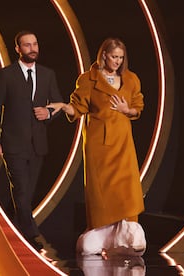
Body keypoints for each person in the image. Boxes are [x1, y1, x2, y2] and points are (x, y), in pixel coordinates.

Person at [47, 38, 146, 257]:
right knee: (102, 194)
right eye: (113, 57)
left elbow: (137, 107)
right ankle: (102, 238)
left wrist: (126, 109)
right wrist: (65, 107)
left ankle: (126, 238)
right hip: (99, 145)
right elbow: (78, 107)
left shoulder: (131, 79)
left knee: (127, 190)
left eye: (121, 57)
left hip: (123, 143)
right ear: (103, 55)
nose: (117, 62)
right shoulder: (88, 79)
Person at [0, 30, 63, 252]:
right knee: (20, 189)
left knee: (26, 192)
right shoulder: (5, 75)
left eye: (35, 44)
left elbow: (57, 103)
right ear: (18, 49)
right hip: (12, 143)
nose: (32, 48)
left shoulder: (48, 74)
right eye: (27, 45)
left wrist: (48, 113)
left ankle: (9, 227)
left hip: (38, 143)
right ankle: (32, 236)